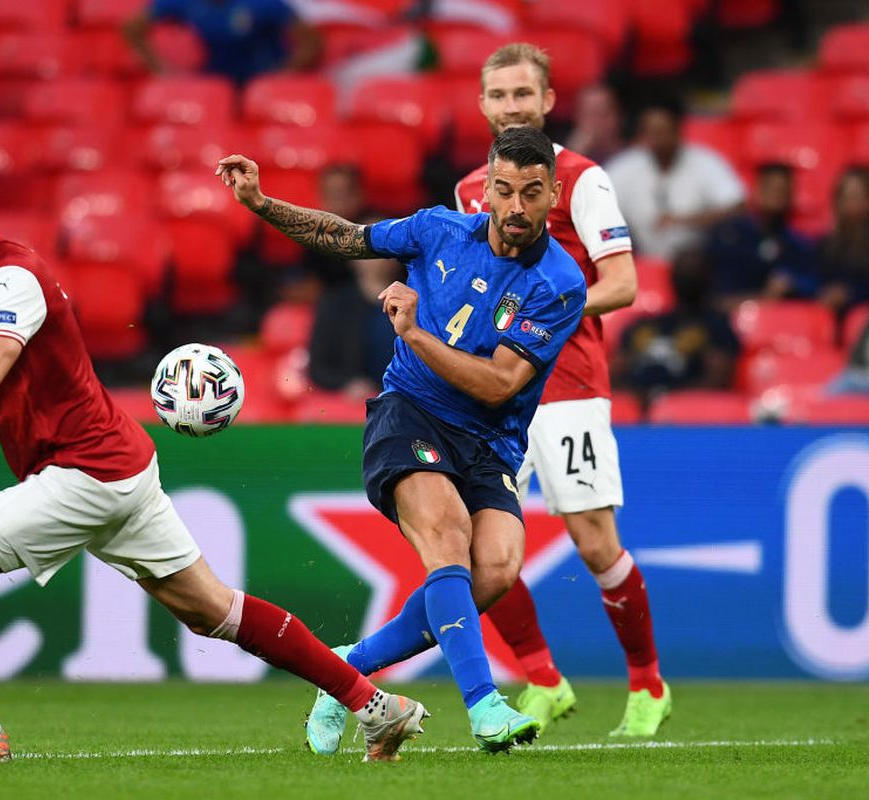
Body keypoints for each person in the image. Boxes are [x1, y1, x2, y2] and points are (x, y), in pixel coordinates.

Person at [0, 145, 428, 765]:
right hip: (118, 465)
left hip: (82, 472)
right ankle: (375, 707)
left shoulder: (12, 278)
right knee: (213, 611)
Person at [306, 41, 667, 750]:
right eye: (499, 97)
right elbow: (450, 279)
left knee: (590, 546)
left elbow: (623, 285)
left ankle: (647, 683)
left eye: (523, 96)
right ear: (482, 106)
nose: (511, 108)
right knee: (480, 557)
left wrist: (540, 317)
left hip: (564, 385)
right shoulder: (471, 191)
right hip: (473, 399)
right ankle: (535, 676)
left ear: (547, 101)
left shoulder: (583, 179)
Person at [218, 125, 587, 753]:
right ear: (487, 192)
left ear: (553, 192)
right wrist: (261, 203)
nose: (516, 207)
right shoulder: (438, 229)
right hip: (409, 414)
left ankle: (346, 667)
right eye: (504, 191)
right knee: (448, 537)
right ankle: (486, 707)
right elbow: (345, 237)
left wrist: (415, 333)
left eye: (531, 192)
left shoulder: (558, 283)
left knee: (494, 570)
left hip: (490, 442)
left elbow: (500, 385)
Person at [606, 97, 744, 260]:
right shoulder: (625, 166)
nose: (657, 140)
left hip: (698, 262)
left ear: (678, 130)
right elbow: (597, 210)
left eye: (663, 131)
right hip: (639, 259)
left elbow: (738, 206)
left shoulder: (706, 162)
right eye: (651, 132)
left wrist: (684, 221)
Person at [613, 248, 741, 401]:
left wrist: (668, 400)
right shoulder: (642, 325)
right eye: (683, 268)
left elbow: (717, 381)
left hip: (687, 414)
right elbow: (613, 375)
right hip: (636, 407)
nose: (688, 274)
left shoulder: (717, 327)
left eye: (694, 269)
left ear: (708, 277)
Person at [123, 0, 320, 86]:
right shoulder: (184, 2)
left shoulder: (264, 2)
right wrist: (161, 69)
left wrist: (284, 74)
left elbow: (311, 42)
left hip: (262, 80)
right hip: (214, 81)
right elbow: (133, 27)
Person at [707, 162, 815, 309]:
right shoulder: (727, 234)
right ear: (757, 190)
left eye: (783, 191)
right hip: (721, 314)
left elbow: (814, 284)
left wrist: (792, 283)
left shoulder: (795, 244)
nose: (776, 196)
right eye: (771, 189)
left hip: (769, 319)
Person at [308, 252, 403, 399]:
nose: (374, 259)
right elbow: (318, 368)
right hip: (355, 405)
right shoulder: (334, 304)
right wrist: (347, 384)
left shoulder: (415, 301)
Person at [815, 167, 869, 316]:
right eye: (846, 196)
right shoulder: (826, 245)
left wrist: (851, 294)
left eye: (857, 196)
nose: (851, 203)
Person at [563, 84, 625, 167]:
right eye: (588, 114)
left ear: (618, 116)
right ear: (576, 118)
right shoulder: (563, 156)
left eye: (603, 113)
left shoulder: (634, 157)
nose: (596, 122)